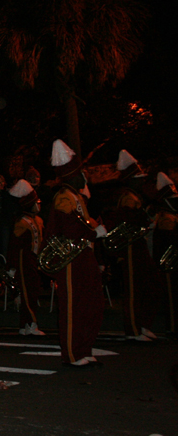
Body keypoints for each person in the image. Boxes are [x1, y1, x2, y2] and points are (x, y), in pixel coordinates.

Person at [45, 140, 106, 367]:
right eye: (81, 174)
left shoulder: (76, 197)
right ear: (72, 175)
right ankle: (72, 353)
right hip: (71, 259)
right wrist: (93, 233)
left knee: (90, 304)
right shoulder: (64, 196)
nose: (84, 177)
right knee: (74, 306)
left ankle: (84, 348)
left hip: (83, 256)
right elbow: (69, 229)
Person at [106, 150, 160, 341]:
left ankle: (142, 324)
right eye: (137, 178)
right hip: (130, 248)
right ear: (130, 180)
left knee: (145, 286)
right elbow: (128, 223)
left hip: (138, 246)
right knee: (133, 290)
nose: (141, 182)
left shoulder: (135, 197)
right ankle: (133, 329)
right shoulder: (128, 198)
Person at [7, 179, 46, 336]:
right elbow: (14, 246)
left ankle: (25, 324)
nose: (39, 204)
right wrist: (12, 266)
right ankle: (30, 323)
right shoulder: (22, 222)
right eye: (37, 202)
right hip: (24, 261)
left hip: (32, 260)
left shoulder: (36, 220)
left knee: (32, 291)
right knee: (28, 292)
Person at [152, 172, 178, 335]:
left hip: (172, 261)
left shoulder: (172, 216)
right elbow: (171, 240)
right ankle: (173, 327)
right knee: (172, 295)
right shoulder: (166, 218)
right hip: (168, 263)